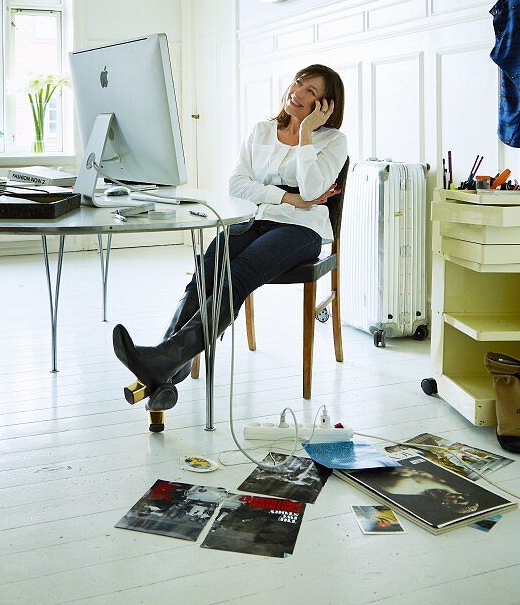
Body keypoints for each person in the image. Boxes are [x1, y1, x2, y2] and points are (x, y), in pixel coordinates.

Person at [112, 63, 348, 414]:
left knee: (238, 273)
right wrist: (287, 196)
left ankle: (163, 360)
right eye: (298, 82)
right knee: (208, 268)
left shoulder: (333, 141)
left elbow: (313, 191)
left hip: (301, 230)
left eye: (311, 91)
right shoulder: (262, 130)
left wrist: (305, 138)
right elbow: (236, 185)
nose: (298, 92)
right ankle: (164, 367)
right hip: (253, 219)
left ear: (326, 105)